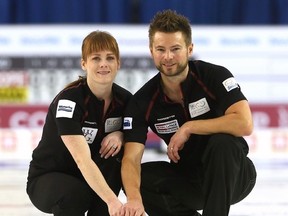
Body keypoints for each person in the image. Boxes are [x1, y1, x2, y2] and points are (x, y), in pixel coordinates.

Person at [121, 9, 257, 216]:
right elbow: (131, 159)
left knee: (222, 142)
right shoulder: (143, 100)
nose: (167, 57)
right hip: (191, 177)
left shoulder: (214, 76)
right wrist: (134, 199)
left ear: (189, 48)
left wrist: (190, 127)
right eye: (160, 49)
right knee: (139, 178)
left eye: (175, 48)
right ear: (151, 51)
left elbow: (245, 124)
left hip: (236, 175)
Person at [26, 30, 132, 216]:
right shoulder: (69, 100)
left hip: (90, 177)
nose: (103, 64)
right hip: (49, 177)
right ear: (84, 64)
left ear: (118, 63)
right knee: (76, 194)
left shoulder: (126, 100)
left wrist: (121, 134)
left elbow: (138, 132)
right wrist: (113, 201)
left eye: (110, 58)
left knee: (115, 157)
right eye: (96, 58)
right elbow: (81, 159)